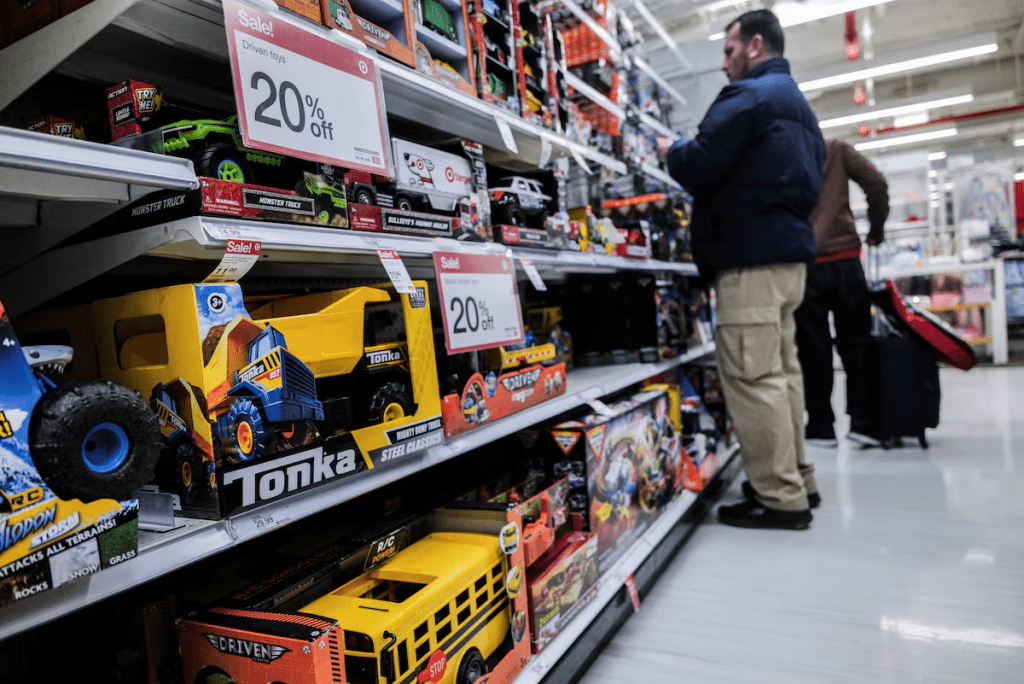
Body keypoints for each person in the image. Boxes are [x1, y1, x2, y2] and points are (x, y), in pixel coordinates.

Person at [658, 10, 825, 530]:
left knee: (754, 379)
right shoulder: (797, 105)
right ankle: (799, 478)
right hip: (787, 258)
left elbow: (701, 160)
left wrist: (671, 150)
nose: (724, 63)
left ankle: (780, 498)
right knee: (782, 374)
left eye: (728, 51)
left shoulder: (749, 97)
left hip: (750, 258)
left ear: (754, 46)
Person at [795, 139, 888, 445]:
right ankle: (863, 423)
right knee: (856, 343)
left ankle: (821, 426)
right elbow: (875, 183)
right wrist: (876, 230)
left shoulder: (787, 152)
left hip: (807, 264)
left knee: (813, 348)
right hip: (847, 262)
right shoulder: (836, 149)